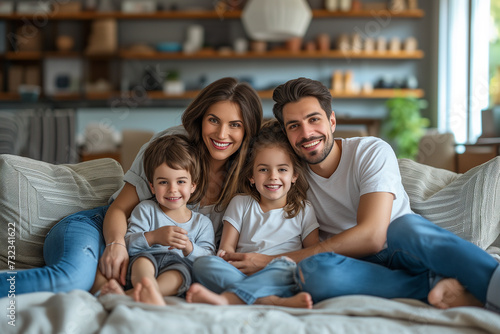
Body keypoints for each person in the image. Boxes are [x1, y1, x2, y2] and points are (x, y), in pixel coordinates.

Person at [220, 77, 499, 311]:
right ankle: (433, 285)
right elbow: (251, 155)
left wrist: (272, 261)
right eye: (294, 125)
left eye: (313, 119)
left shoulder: (370, 151)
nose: (306, 133)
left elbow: (374, 236)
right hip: (355, 263)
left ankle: (492, 285)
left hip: (400, 246)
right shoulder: (290, 172)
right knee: (315, 274)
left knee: (405, 226)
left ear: (331, 121)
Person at [0, 77, 262, 297]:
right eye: (214, 120)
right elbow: (119, 209)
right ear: (200, 118)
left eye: (235, 125)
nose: (221, 134)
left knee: (106, 289)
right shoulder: (170, 146)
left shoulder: (252, 173)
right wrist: (116, 245)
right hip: (101, 228)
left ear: (248, 130)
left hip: (150, 260)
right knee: (72, 280)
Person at [185, 119, 319, 308]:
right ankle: (268, 300)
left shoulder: (304, 209)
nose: (273, 176)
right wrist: (230, 261)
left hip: (277, 275)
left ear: (294, 175)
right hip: (240, 273)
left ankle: (230, 299)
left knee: (286, 266)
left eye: (282, 169)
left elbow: (311, 255)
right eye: (263, 169)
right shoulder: (240, 203)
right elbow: (226, 249)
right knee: (203, 264)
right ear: (251, 176)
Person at [99, 135, 215, 304]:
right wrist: (153, 237)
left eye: (181, 181)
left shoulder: (202, 223)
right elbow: (128, 244)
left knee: (180, 274)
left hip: (178, 266)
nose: (172, 190)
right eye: (163, 182)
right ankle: (148, 289)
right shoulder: (146, 209)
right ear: (152, 186)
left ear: (193, 186)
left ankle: (134, 295)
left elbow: (209, 259)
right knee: (142, 262)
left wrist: (189, 247)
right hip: (146, 259)